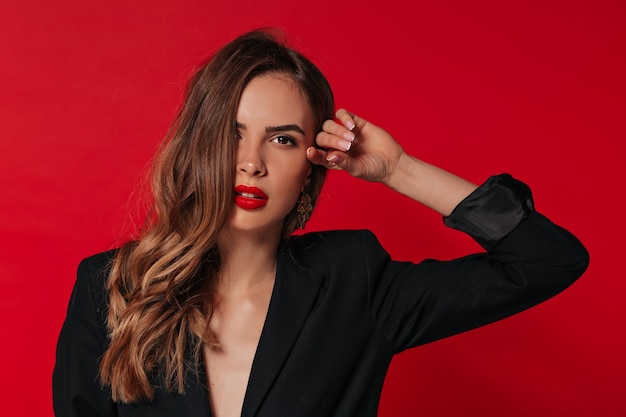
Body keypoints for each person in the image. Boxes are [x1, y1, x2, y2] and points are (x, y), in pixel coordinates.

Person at [53, 29, 589, 417]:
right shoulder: (115, 287)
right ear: (198, 147)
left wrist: (400, 170)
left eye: (282, 139)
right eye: (233, 132)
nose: (252, 161)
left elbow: (547, 259)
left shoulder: (355, 284)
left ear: (311, 170)